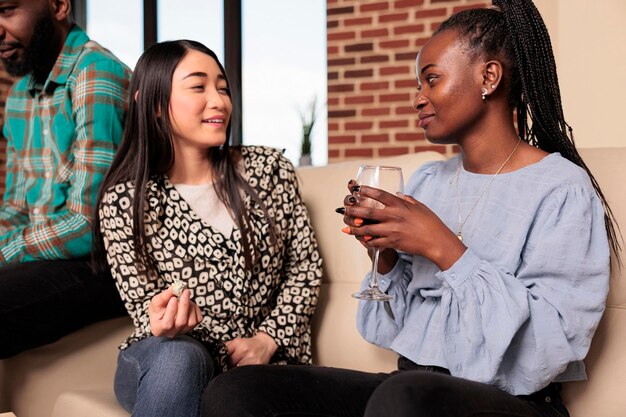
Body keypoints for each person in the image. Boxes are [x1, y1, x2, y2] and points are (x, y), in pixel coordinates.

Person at [201, 0, 619, 416]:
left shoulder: (562, 187)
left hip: (514, 402)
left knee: (404, 398)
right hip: (412, 389)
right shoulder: (427, 181)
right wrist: (381, 257)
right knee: (237, 391)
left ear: (489, 77)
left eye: (431, 80)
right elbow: (393, 331)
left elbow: (550, 348)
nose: (418, 99)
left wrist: (443, 247)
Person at [94, 39, 323, 417]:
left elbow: (304, 267)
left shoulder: (269, 170)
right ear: (153, 104)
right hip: (162, 357)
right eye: (198, 87)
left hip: (258, 365)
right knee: (180, 358)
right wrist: (164, 321)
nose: (218, 101)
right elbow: (142, 304)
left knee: (239, 394)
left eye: (222, 87)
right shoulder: (125, 200)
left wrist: (268, 340)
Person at [0, 0, 130, 358]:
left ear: (59, 6)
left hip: (102, 263)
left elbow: (89, 226)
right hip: (43, 259)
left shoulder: (96, 73)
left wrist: (5, 249)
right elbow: (16, 207)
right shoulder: (18, 99)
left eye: (8, 10)